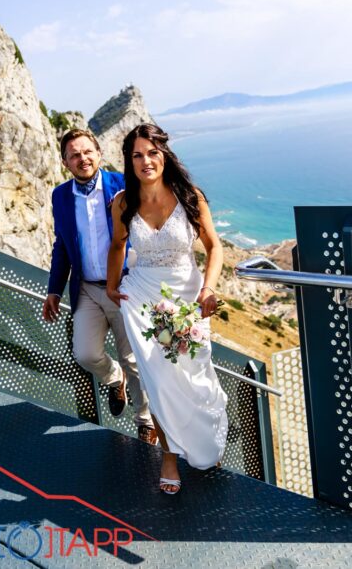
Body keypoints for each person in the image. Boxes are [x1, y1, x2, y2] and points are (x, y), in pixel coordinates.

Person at [105, 123, 228, 494]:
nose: (146, 161)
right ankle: (170, 456)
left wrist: (207, 290)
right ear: (129, 160)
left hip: (187, 298)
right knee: (158, 381)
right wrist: (112, 286)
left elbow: (214, 247)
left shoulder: (190, 196)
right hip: (141, 297)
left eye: (152, 152)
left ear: (164, 154)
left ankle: (204, 440)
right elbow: (117, 247)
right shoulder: (123, 202)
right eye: (138, 155)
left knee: (193, 375)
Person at [43, 129, 157, 444]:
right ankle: (112, 378)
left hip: (125, 287)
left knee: (134, 360)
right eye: (74, 155)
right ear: (65, 163)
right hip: (87, 289)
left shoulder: (122, 185)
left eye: (87, 151)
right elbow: (62, 246)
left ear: (98, 152)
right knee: (85, 354)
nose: (82, 159)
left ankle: (145, 421)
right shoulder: (60, 196)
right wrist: (54, 289)